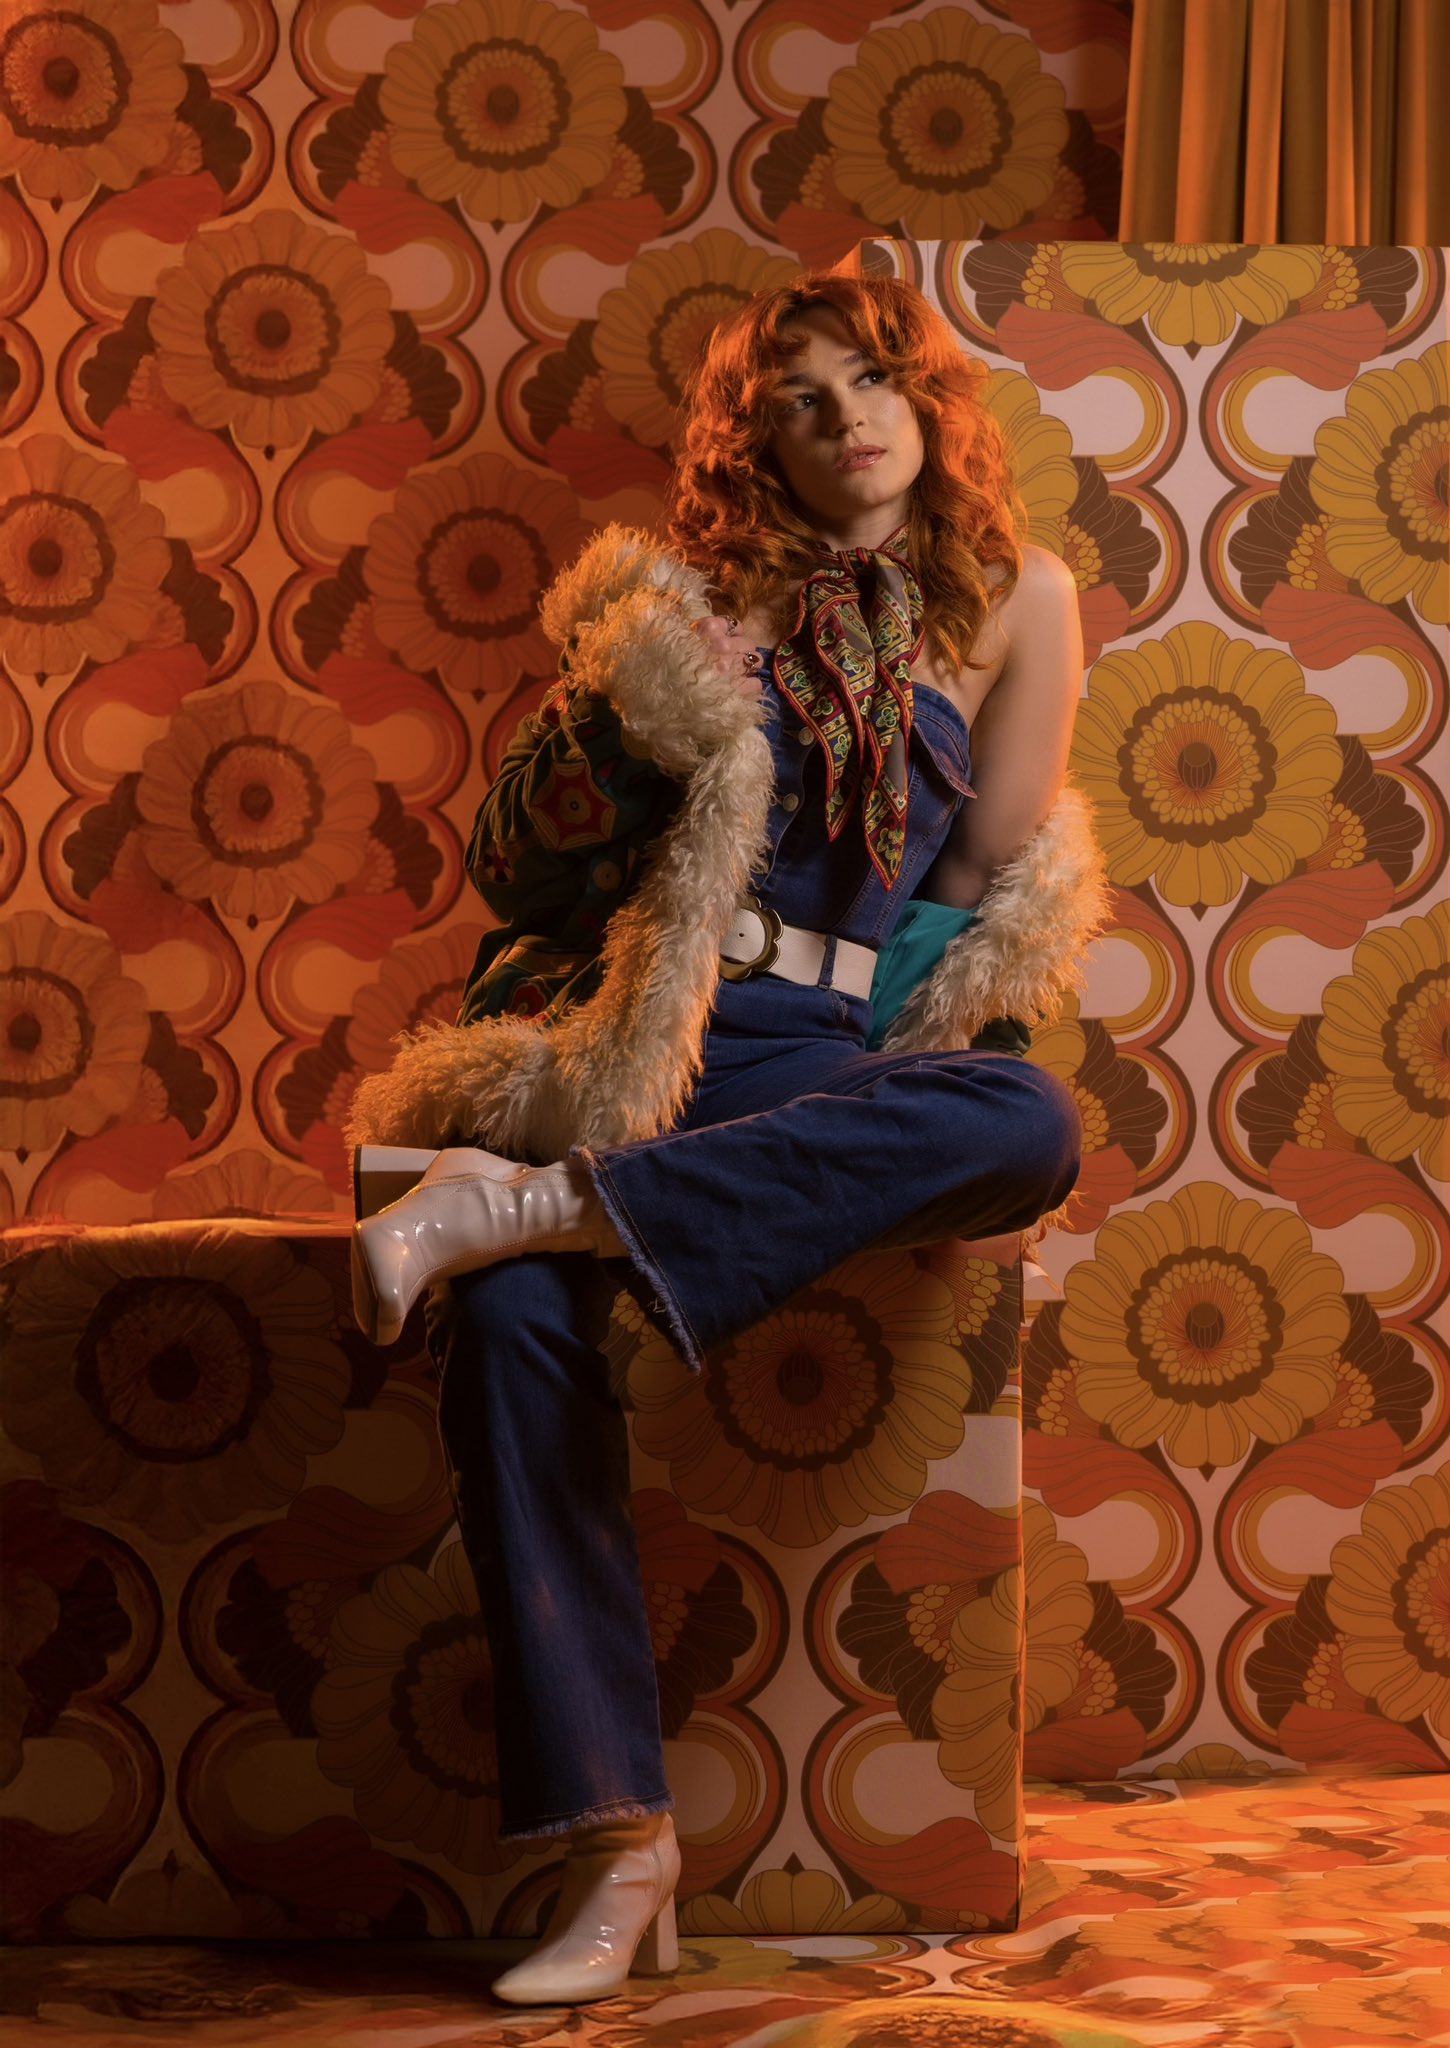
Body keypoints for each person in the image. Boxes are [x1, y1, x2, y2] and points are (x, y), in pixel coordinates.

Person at [344, 269, 1109, 2006]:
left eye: (875, 379)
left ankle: (516, 1205)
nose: (848, 418)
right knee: (512, 1321)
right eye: (801, 398)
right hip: (657, 1034)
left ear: (928, 399)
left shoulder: (1018, 601)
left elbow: (975, 887)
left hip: (828, 1053)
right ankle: (620, 1856)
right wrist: (639, 701)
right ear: (756, 439)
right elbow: (514, 864)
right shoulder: (685, 599)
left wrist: (891, 1097)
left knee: (1025, 1114)